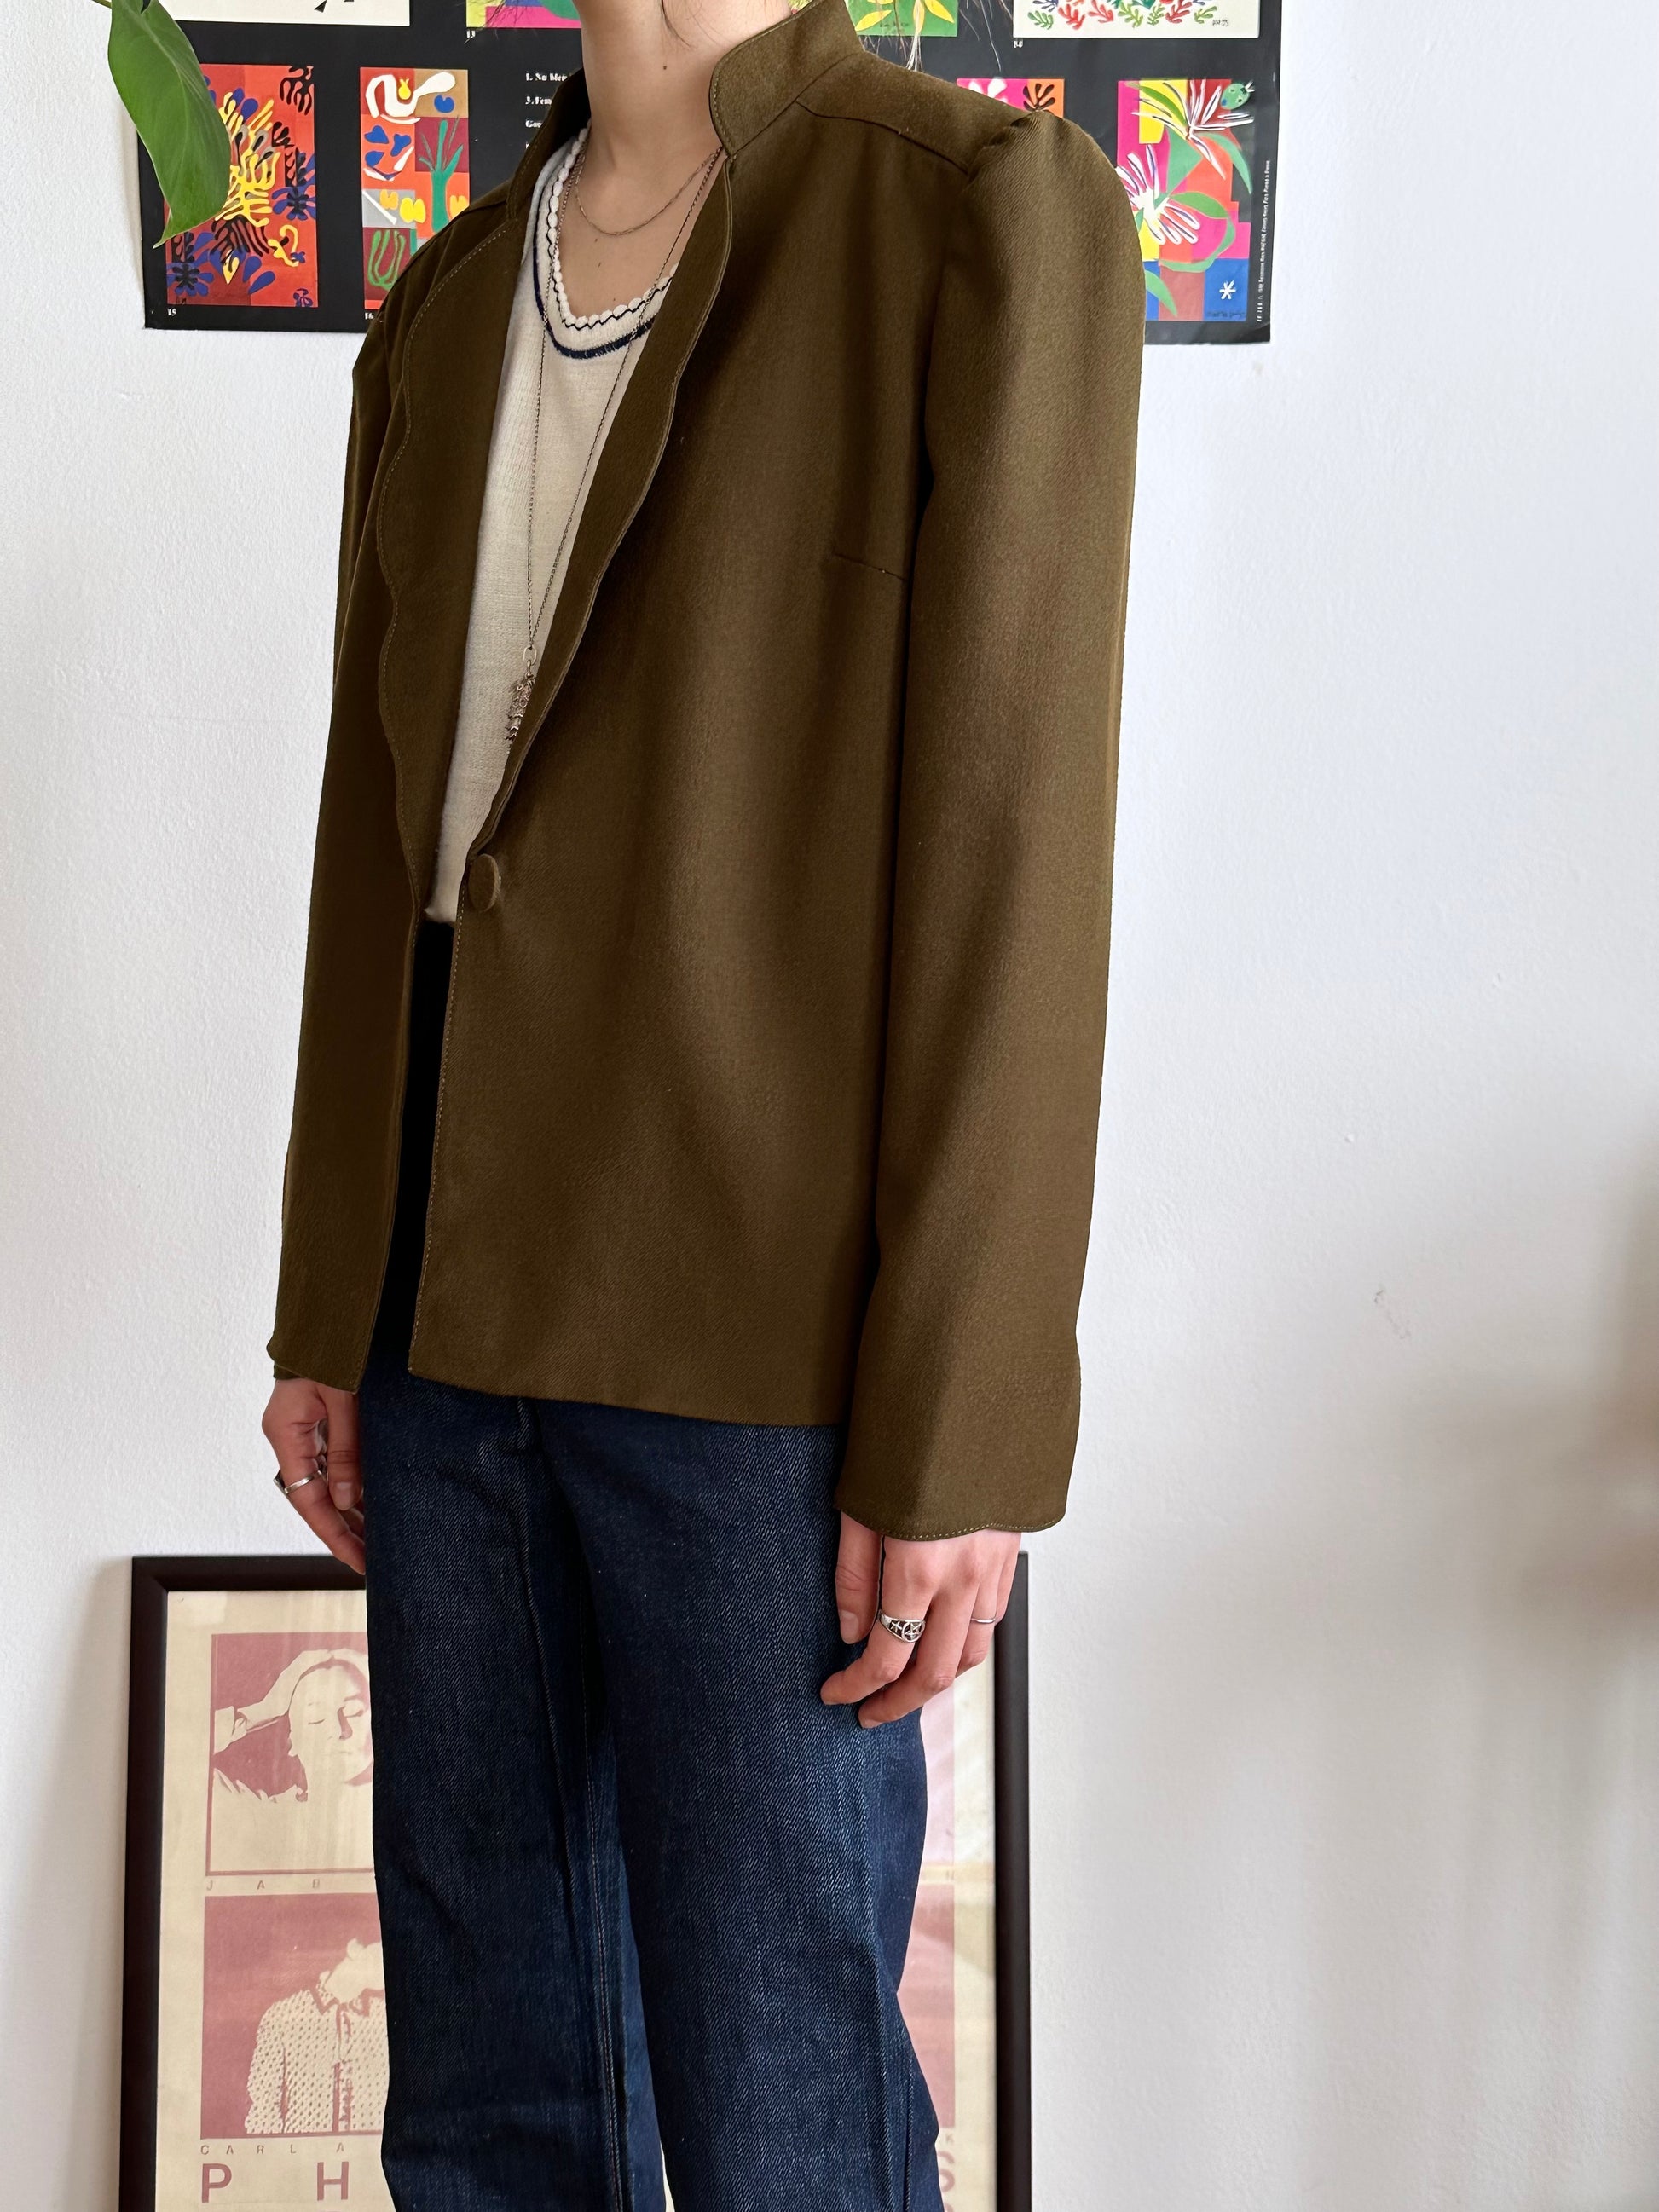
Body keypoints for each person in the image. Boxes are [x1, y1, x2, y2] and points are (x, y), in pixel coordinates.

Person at [260, 0, 1142, 2202]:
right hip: (445, 1315)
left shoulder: (972, 217)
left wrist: (960, 1420)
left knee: (784, 2109)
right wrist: (328, 1301)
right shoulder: (452, 297)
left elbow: (1012, 860)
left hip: (765, 1362)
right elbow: (381, 837)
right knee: (486, 2105)